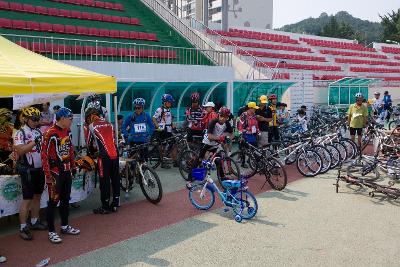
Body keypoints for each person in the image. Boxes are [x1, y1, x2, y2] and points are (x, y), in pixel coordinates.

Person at [41, 107, 80, 244]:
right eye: (70, 118)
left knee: (65, 200)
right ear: (62, 118)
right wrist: (47, 175)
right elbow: (44, 156)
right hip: (55, 173)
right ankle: (51, 232)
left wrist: (74, 166)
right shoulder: (49, 133)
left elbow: (70, 149)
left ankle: (64, 226)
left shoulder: (68, 131)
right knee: (53, 202)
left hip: (67, 170)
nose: (71, 121)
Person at [14, 107, 47, 241]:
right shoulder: (20, 132)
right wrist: (35, 142)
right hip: (27, 169)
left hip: (39, 169)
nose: (36, 121)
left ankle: (34, 221)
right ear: (26, 119)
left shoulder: (38, 131)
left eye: (38, 119)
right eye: (34, 119)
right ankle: (23, 227)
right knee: (27, 198)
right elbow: (20, 151)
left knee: (37, 196)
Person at [85, 108, 120, 214]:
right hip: (115, 154)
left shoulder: (91, 126)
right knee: (115, 179)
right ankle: (115, 203)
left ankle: (105, 206)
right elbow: (114, 139)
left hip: (104, 157)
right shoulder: (109, 124)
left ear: (89, 116)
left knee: (104, 181)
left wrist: (92, 154)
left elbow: (89, 144)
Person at [188, 107, 234, 182]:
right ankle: (189, 178)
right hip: (206, 143)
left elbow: (232, 134)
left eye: (226, 117)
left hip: (215, 144)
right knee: (199, 160)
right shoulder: (213, 122)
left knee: (218, 161)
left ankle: (222, 178)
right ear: (219, 115)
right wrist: (220, 138)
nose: (223, 118)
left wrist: (228, 138)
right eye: (222, 116)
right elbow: (209, 136)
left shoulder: (226, 123)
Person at [152, 94, 176, 169]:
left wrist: (173, 126)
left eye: (171, 102)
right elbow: (153, 118)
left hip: (168, 130)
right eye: (169, 102)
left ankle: (173, 160)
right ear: (165, 102)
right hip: (162, 131)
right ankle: (162, 162)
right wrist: (157, 126)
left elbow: (169, 120)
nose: (170, 103)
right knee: (162, 146)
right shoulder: (160, 109)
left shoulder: (169, 109)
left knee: (174, 142)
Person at [238, 102, 260, 168]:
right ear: (250, 108)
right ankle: (243, 162)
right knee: (243, 150)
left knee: (254, 148)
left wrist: (258, 131)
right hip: (244, 135)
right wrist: (245, 132)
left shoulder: (254, 115)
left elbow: (256, 125)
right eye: (254, 108)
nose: (255, 110)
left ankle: (250, 160)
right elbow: (240, 127)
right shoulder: (243, 115)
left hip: (252, 135)